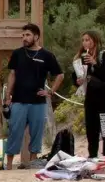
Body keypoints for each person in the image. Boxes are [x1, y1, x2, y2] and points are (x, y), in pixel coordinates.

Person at [5, 23, 63, 169]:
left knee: (36, 133)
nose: (24, 38)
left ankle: (32, 163)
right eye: (23, 35)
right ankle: (9, 164)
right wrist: (8, 96)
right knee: (14, 131)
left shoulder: (47, 55)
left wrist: (50, 92)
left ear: (36, 36)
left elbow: (60, 75)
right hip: (18, 100)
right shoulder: (17, 53)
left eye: (27, 35)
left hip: (38, 102)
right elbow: (12, 74)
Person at [74, 30, 105, 159]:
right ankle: (93, 155)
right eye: (83, 40)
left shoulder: (104, 55)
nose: (85, 42)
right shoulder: (82, 57)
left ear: (95, 41)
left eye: (88, 39)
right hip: (90, 99)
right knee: (91, 129)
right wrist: (77, 80)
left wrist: (95, 63)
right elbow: (78, 76)